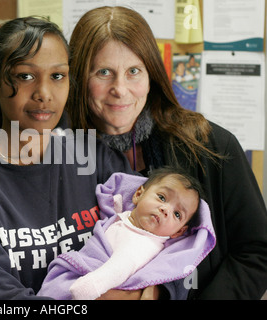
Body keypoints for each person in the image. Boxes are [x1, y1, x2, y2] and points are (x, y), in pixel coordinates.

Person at [67, 6, 267, 299]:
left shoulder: (210, 146)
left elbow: (258, 251)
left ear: (152, 75)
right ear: (79, 79)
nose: (120, 89)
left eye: (133, 71)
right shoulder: (58, 156)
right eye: (103, 72)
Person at [0, 17, 135, 300]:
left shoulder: (97, 158)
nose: (44, 94)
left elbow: (151, 243)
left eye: (57, 76)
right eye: (25, 76)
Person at [38, 167, 216, 300]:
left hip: (90, 284)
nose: (165, 209)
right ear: (138, 194)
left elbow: (119, 268)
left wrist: (86, 290)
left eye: (177, 214)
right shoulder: (126, 218)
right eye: (162, 198)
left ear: (178, 232)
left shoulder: (143, 245)